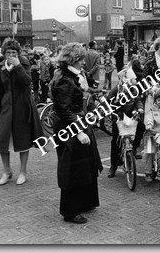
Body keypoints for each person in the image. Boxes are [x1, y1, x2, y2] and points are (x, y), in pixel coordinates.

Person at [51, 42, 103, 223]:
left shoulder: (72, 75)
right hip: (69, 126)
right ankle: (70, 211)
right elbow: (64, 110)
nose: (83, 62)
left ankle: (86, 201)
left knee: (85, 164)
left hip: (77, 121)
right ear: (73, 60)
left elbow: (81, 95)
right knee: (72, 166)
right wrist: (78, 132)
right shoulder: (64, 79)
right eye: (81, 59)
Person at [0, 40, 44, 186]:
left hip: (22, 105)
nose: (12, 55)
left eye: (14, 53)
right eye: (9, 53)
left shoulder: (24, 63)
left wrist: (18, 66)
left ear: (18, 53)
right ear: (4, 53)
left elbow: (27, 82)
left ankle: (23, 172)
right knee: (3, 140)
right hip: (6, 106)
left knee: (23, 140)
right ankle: (7, 172)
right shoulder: (1, 66)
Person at [105, 72, 144, 178]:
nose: (135, 81)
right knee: (116, 141)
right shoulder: (116, 90)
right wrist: (110, 110)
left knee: (141, 126)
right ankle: (113, 166)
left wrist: (140, 108)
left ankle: (134, 147)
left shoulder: (133, 90)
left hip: (131, 115)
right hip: (119, 116)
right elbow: (107, 101)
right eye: (133, 79)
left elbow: (138, 101)